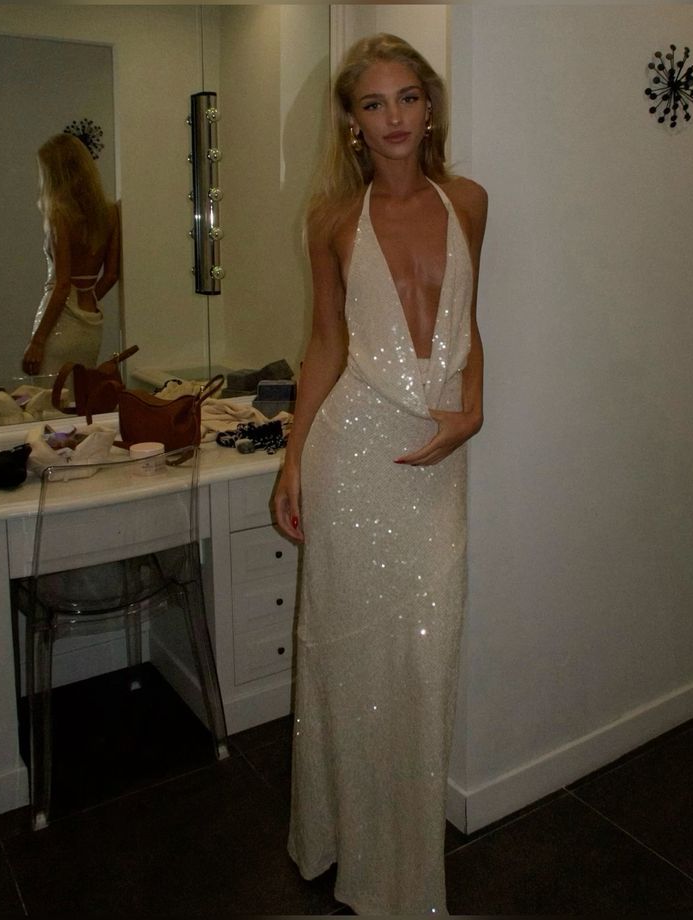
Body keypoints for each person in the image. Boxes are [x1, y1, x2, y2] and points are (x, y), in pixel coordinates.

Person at [273, 33, 488, 916]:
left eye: (407, 97)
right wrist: (293, 459)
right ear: (353, 124)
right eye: (373, 103)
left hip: (434, 467)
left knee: (425, 662)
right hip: (352, 455)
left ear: (429, 109)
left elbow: (471, 325)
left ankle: (405, 867)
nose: (393, 117)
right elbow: (325, 343)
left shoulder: (469, 201)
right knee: (349, 662)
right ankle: (342, 842)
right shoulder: (331, 219)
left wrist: (474, 408)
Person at [22, 133, 120, 377]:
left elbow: (63, 284)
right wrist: (87, 300)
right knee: (81, 392)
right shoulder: (111, 212)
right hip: (91, 321)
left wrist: (37, 341)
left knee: (51, 395)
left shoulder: (59, 215)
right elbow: (111, 275)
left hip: (60, 322)